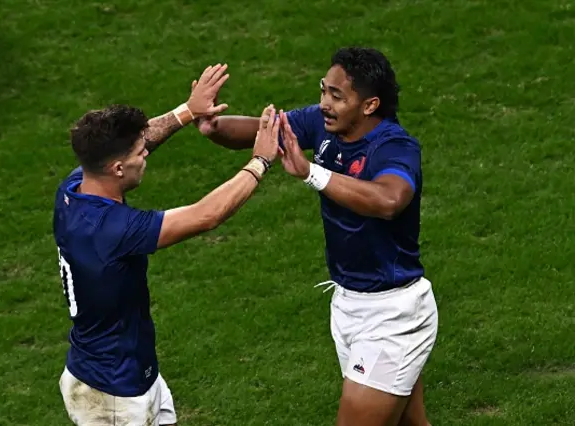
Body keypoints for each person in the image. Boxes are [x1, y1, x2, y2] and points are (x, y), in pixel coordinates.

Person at [195, 48, 438, 426]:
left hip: (393, 315)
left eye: (337, 96)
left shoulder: (394, 147)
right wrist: (214, 126)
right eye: (324, 90)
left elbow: (389, 200)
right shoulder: (324, 125)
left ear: (370, 105)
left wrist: (311, 173)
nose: (325, 102)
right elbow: (265, 130)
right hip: (349, 303)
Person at [53, 63, 281, 425]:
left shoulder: (74, 187)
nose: (146, 156)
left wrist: (188, 111)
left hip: (121, 373)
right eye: (138, 155)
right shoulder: (113, 231)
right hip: (112, 395)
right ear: (116, 168)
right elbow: (206, 215)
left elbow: (146, 140)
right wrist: (261, 161)